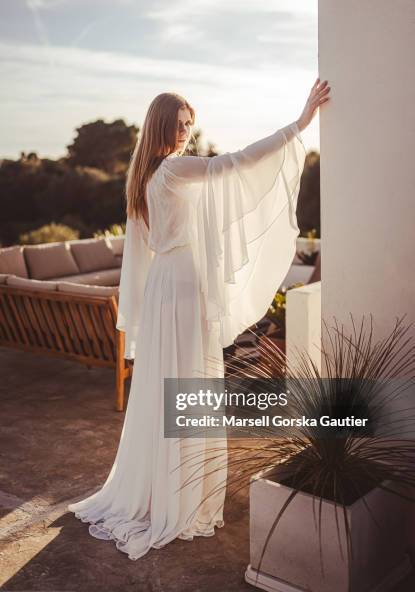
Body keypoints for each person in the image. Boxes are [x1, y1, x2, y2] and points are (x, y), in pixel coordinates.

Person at [67, 78, 331, 560]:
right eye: (180, 124)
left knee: (172, 383)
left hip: (168, 284)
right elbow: (237, 164)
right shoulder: (171, 170)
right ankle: (178, 496)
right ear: (162, 126)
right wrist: (299, 124)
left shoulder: (145, 176)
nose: (187, 131)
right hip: (183, 285)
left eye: (191, 124)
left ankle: (168, 487)